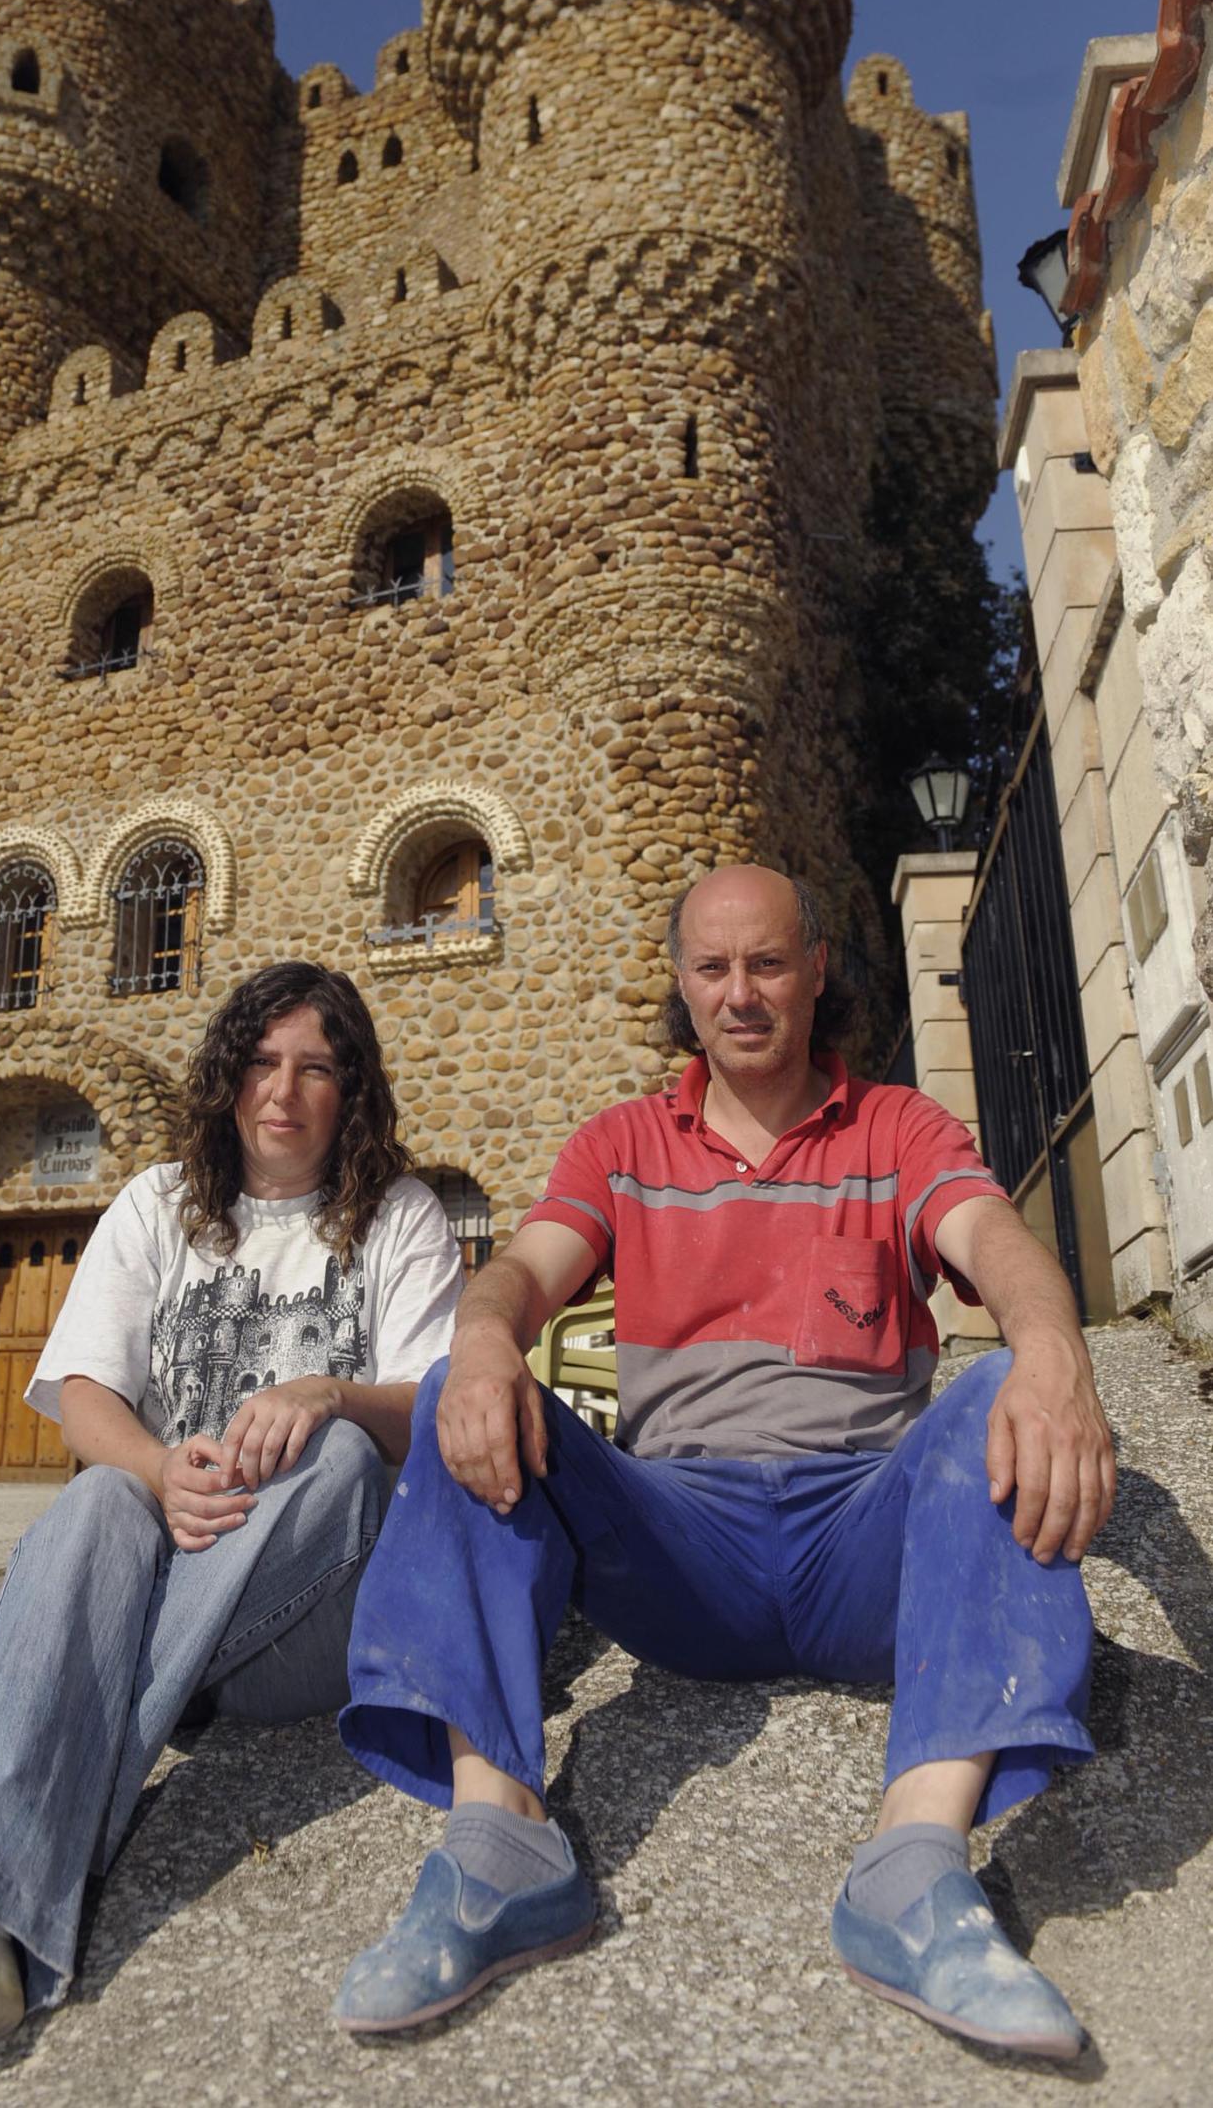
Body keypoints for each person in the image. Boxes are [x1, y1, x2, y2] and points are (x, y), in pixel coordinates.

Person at [335, 866, 1115, 2062]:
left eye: (764, 964)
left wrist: (1051, 1348)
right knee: (464, 1384)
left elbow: (991, 1238)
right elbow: (525, 1269)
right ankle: (498, 1851)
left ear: (814, 972)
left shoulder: (896, 1127)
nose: (739, 994)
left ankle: (912, 1872)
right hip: (677, 1548)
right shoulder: (621, 1142)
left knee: (993, 1393)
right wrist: (488, 1334)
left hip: (863, 1541)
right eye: (711, 968)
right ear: (682, 986)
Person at [0, 961, 464, 2048]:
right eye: (262, 1062)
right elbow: (83, 1392)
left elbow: (431, 1407)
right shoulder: (159, 1202)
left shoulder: (398, 1214)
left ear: (351, 1091)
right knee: (96, 1503)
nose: (283, 1090)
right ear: (227, 1076)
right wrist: (153, 1467)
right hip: (169, 1596)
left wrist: (327, 1389)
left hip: (305, 1616)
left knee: (331, 1456)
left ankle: (0, 1860)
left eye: (316, 1068)